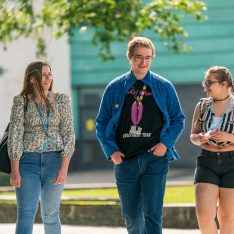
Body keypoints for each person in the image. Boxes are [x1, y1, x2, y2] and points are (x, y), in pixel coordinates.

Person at [96, 36, 185, 234]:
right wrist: (111, 151)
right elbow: (101, 123)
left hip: (154, 159)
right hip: (125, 160)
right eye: (138, 57)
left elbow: (178, 119)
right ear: (129, 56)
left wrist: (165, 145)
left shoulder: (164, 86)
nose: (143, 62)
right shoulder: (115, 87)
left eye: (148, 57)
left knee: (153, 216)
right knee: (131, 217)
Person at [8, 61, 75, 234]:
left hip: (54, 161)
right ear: (32, 78)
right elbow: (15, 135)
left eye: (49, 74)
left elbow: (68, 133)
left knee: (51, 214)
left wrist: (64, 167)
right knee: (26, 214)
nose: (48, 78)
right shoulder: (21, 102)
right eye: (43, 74)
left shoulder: (62, 100)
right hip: (27, 162)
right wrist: (15, 169)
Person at [190, 66, 234, 234]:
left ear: (224, 84)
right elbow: (192, 136)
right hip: (207, 161)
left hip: (232, 162)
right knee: (203, 215)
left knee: (228, 218)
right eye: (205, 82)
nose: (205, 86)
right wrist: (199, 138)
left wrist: (229, 137)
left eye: (209, 82)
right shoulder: (201, 106)